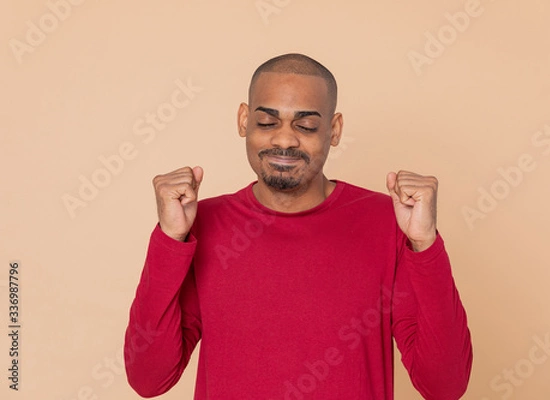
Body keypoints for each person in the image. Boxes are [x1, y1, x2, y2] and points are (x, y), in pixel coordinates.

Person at [124, 53, 473, 400]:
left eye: (305, 126)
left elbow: (445, 386)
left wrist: (425, 245)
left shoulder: (392, 223)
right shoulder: (199, 226)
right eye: (267, 122)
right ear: (243, 120)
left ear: (334, 131)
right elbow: (149, 379)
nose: (285, 140)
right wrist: (170, 239)